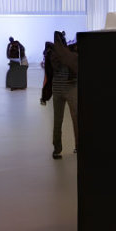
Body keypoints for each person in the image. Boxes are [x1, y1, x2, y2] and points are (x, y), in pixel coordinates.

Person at [49, 30, 78, 159]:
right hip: (68, 88)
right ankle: (58, 148)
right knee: (70, 119)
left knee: (61, 120)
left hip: (62, 88)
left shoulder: (56, 52)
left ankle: (57, 149)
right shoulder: (65, 52)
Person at [40, 39, 54, 105]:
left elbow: (44, 62)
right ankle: (44, 97)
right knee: (48, 82)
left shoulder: (46, 53)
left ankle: (44, 97)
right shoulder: (50, 52)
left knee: (46, 82)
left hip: (47, 70)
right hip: (50, 71)